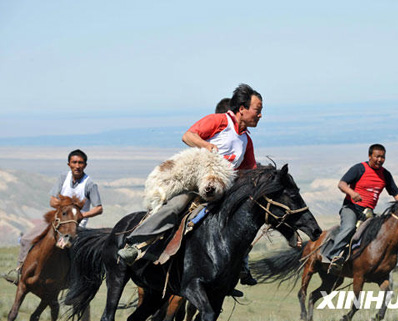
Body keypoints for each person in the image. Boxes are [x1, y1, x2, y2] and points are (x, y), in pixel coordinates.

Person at [118, 84, 262, 287]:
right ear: (242, 109)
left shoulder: (246, 140)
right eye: (258, 109)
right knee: (177, 205)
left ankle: (239, 268)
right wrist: (206, 145)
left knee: (240, 221)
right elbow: (188, 136)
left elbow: (249, 171)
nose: (260, 115)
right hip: (197, 182)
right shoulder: (219, 121)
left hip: (222, 189)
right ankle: (136, 243)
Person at [3, 149, 103, 284]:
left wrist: (80, 215)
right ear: (69, 164)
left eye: (80, 163)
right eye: (74, 162)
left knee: (67, 248)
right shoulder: (63, 178)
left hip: (75, 226)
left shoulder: (90, 184)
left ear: (85, 165)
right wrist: (61, 204)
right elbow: (52, 201)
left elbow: (99, 208)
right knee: (27, 239)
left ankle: (74, 282)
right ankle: (19, 271)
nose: (77, 166)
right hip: (56, 221)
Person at [321, 144, 398, 270]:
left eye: (383, 157)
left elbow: (396, 193)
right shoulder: (359, 169)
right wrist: (352, 193)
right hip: (351, 208)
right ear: (370, 156)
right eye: (377, 156)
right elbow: (341, 184)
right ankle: (333, 256)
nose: (380, 160)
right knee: (349, 228)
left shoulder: (385, 174)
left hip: (368, 212)